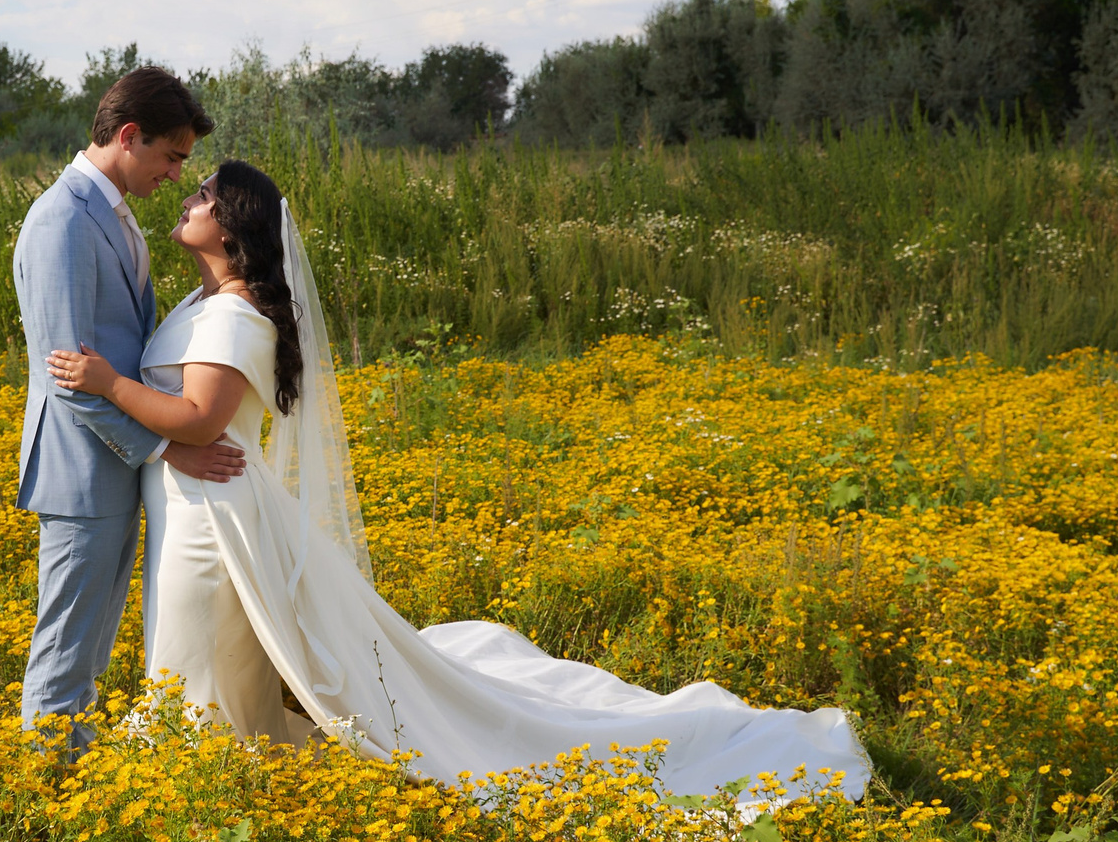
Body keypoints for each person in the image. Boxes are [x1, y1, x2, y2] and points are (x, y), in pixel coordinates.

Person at [47, 157, 872, 800]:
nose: (188, 199)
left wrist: (105, 382)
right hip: (190, 501)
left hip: (210, 520)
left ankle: (199, 781)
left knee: (195, 656)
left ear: (233, 228)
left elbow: (197, 417)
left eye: (206, 193)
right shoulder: (196, 306)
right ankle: (216, 775)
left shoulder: (234, 315)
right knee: (198, 654)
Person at [12, 66, 246, 756]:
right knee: (64, 652)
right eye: (172, 156)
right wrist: (166, 447)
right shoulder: (62, 220)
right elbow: (68, 378)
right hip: (81, 471)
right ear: (129, 135)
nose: (177, 174)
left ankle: (69, 781)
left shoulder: (108, 213)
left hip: (110, 469)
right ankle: (43, 805)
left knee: (88, 652)